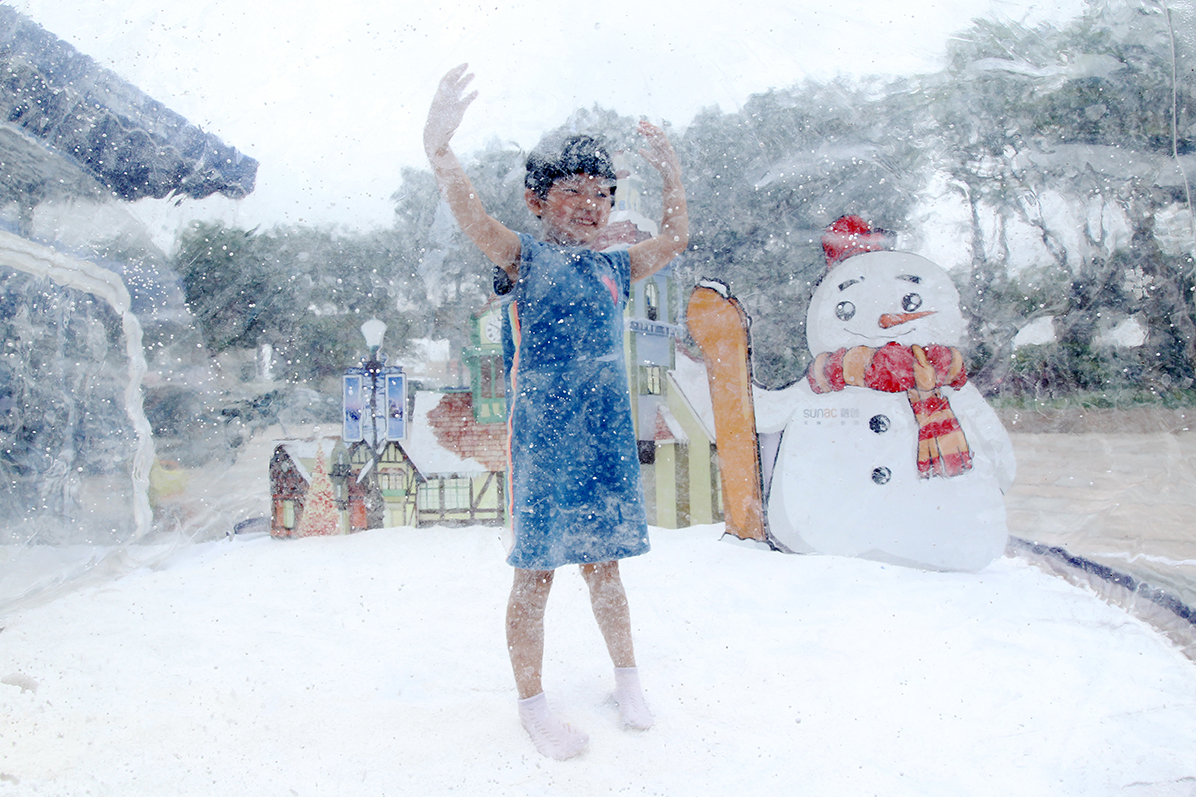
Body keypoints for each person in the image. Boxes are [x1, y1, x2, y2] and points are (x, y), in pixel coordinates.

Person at [424, 63, 688, 760]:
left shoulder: (616, 267)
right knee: (535, 574)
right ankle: (533, 704)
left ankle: (627, 680)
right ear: (536, 199)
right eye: (574, 190)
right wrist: (440, 150)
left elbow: (674, 240)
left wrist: (672, 176)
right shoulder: (525, 258)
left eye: (602, 193)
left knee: (606, 567)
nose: (591, 204)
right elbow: (474, 219)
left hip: (603, 438)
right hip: (543, 441)